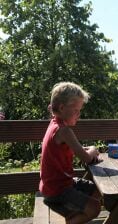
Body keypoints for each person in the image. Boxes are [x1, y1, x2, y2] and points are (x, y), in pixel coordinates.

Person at [39, 82, 101, 224]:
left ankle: (73, 217)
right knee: (94, 208)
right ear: (62, 108)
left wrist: (86, 150)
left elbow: (74, 148)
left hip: (56, 185)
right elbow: (86, 158)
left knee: (96, 190)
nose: (79, 115)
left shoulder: (55, 124)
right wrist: (91, 150)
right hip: (57, 190)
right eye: (76, 110)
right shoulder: (64, 130)